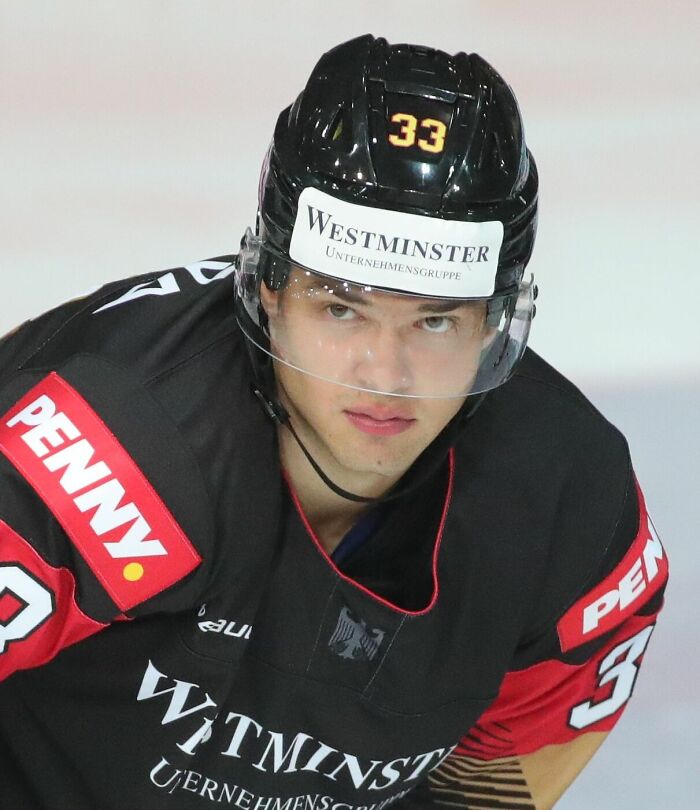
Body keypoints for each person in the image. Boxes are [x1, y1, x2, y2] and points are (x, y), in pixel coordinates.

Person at [0, 34, 667, 810]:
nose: (384, 376)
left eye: (435, 321)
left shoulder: (570, 507)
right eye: (342, 309)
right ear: (269, 288)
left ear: (493, 325)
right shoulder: (106, 443)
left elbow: (503, 780)